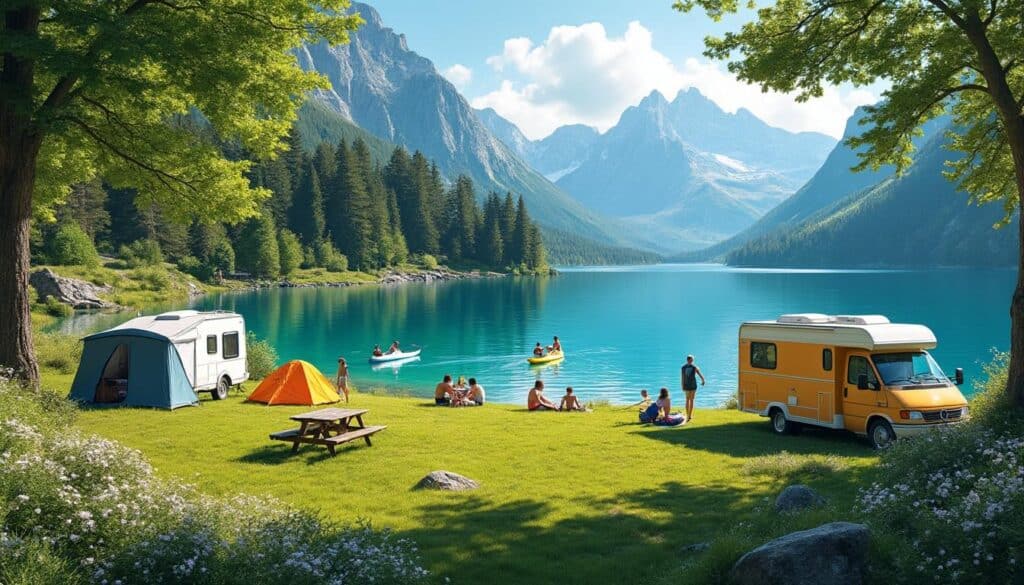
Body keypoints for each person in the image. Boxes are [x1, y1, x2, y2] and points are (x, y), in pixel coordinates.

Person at [680, 354, 706, 423]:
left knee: (687, 400)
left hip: (686, 385)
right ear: (691, 360)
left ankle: (688, 414)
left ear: (687, 360)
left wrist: (682, 385)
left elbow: (682, 378)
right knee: (691, 400)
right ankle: (689, 415)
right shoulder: (694, 367)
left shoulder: (683, 367)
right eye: (692, 360)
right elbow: (700, 374)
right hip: (693, 386)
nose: (691, 361)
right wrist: (703, 380)